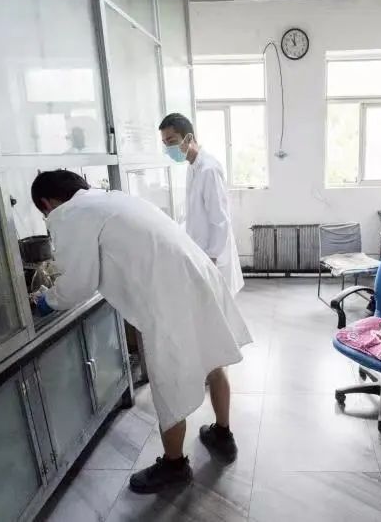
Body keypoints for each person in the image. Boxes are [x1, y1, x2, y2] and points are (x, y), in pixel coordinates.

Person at [29, 170, 252, 494]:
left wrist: (46, 301)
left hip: (170, 297)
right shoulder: (112, 198)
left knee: (168, 382)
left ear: (47, 203)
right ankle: (222, 433)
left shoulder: (69, 214)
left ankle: (174, 466)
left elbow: (77, 283)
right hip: (199, 275)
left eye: (44, 212)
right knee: (214, 356)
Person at [159, 113, 244, 295]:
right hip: (201, 254)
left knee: (220, 305)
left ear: (188, 138)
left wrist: (212, 257)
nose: (169, 148)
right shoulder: (192, 168)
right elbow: (195, 214)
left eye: (172, 141)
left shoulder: (208, 169)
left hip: (213, 259)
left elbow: (220, 220)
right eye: (165, 143)